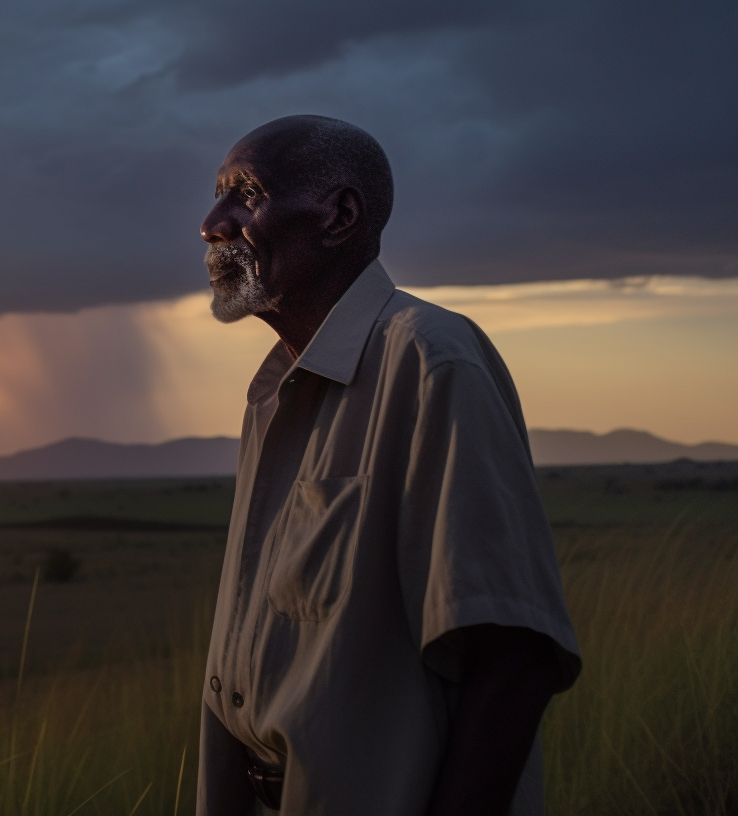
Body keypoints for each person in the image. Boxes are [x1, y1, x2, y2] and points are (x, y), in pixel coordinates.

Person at [195, 115, 581, 816]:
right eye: (218, 196)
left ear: (340, 216)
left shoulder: (432, 361)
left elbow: (515, 658)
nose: (210, 224)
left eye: (245, 195)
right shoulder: (273, 391)